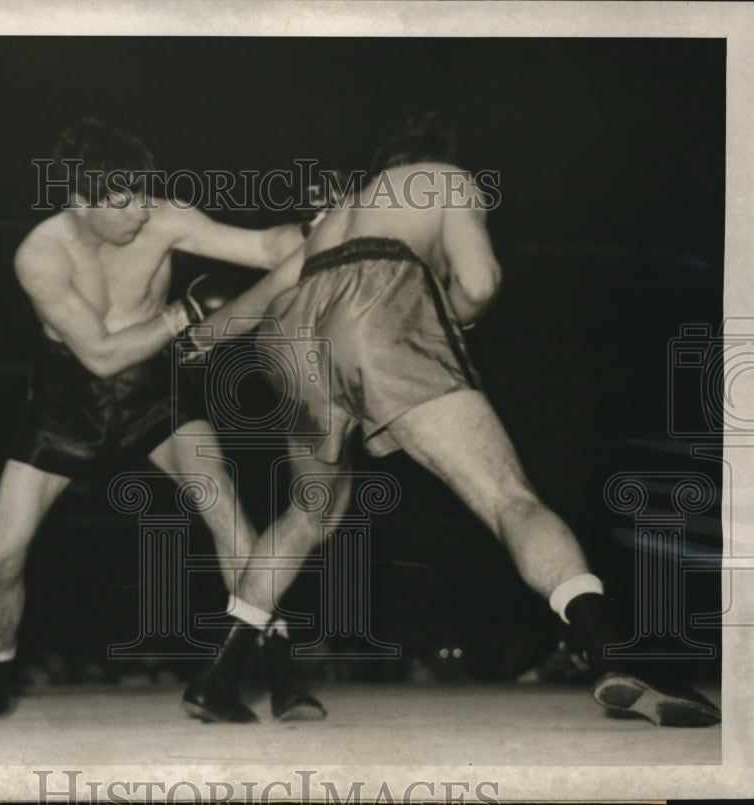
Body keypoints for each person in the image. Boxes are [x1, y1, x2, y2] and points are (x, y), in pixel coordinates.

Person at [181, 112, 722, 728]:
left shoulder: (340, 212)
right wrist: (447, 320)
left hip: (290, 338)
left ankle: (219, 675)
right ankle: (615, 652)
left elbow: (258, 302)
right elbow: (480, 280)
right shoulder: (447, 178)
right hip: (375, 312)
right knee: (509, 499)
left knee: (306, 515)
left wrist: (188, 336)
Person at [0, 116, 321, 722]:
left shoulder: (164, 218)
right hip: (70, 400)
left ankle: (277, 669)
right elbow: (100, 354)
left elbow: (268, 248)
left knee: (225, 511)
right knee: (1, 555)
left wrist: (325, 226)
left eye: (143, 193)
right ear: (79, 201)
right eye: (123, 202)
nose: (140, 211)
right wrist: (186, 313)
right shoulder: (41, 253)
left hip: (154, 393)